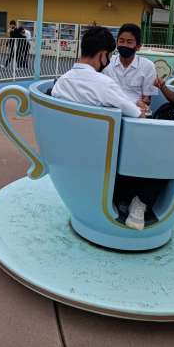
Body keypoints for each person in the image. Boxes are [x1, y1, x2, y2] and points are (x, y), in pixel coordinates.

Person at [52, 26, 148, 230]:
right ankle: (132, 202)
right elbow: (136, 113)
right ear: (103, 55)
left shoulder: (61, 82)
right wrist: (139, 108)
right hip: (103, 157)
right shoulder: (104, 84)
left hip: (67, 154)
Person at [103, 23, 157, 113]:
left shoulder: (148, 66)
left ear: (138, 47)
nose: (124, 45)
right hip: (110, 110)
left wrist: (140, 104)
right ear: (117, 43)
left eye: (129, 42)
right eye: (121, 41)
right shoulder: (107, 63)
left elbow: (147, 99)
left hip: (136, 112)